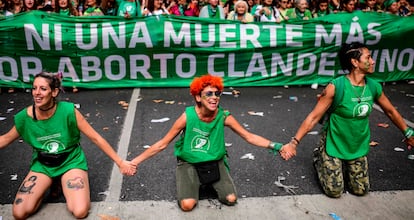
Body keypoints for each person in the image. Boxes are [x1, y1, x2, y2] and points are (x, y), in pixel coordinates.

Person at [130, 74, 283, 211]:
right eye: (208, 93)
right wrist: (134, 162)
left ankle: (208, 182)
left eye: (217, 93)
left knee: (231, 199)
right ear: (198, 97)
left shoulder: (223, 116)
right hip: (189, 161)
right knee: (187, 205)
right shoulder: (187, 117)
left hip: (215, 161)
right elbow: (163, 143)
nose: (214, 97)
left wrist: (277, 146)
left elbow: (249, 136)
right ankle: (194, 180)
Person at [280, 42, 414, 198]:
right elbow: (313, 117)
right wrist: (293, 143)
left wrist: (408, 133)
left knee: (360, 190)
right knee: (334, 191)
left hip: (357, 146)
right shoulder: (336, 86)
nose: (373, 61)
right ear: (355, 62)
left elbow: (390, 111)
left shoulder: (374, 86)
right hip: (334, 143)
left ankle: (343, 164)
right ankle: (320, 159)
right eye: (368, 57)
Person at [0, 71, 136, 219]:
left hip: (70, 161)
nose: (37, 93)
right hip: (43, 164)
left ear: (54, 92)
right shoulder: (24, 118)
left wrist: (120, 162)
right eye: (34, 88)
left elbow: (96, 138)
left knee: (80, 211)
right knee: (19, 213)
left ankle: (60, 181)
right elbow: (5, 139)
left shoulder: (68, 111)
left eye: (43, 89)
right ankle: (52, 182)